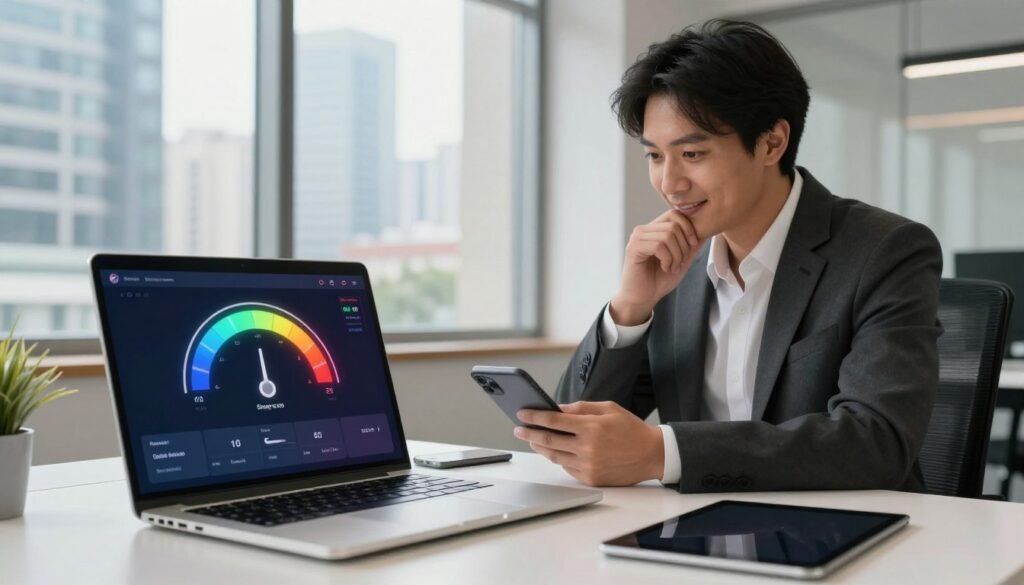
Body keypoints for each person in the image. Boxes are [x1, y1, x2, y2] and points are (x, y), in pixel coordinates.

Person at [513, 19, 942, 492]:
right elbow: (572, 430)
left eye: (692, 154)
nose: (670, 184)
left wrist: (663, 453)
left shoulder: (885, 250)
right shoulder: (675, 265)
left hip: (848, 525)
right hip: (695, 523)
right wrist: (630, 308)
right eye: (655, 156)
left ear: (772, 142)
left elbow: (876, 441)